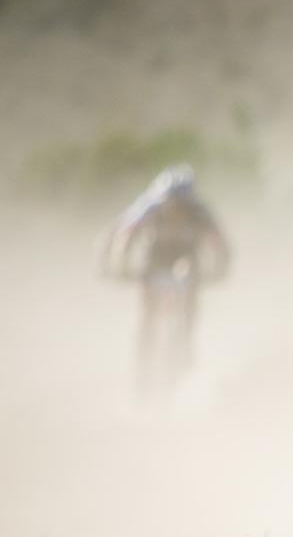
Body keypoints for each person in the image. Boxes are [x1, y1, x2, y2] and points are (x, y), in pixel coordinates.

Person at [96, 164, 231, 394]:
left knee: (190, 290)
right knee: (148, 313)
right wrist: (119, 267)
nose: (177, 210)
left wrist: (219, 270)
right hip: (155, 257)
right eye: (172, 203)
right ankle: (143, 366)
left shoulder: (200, 212)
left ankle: (186, 342)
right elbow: (124, 237)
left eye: (183, 205)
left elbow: (220, 244)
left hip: (186, 257)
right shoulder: (149, 208)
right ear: (163, 200)